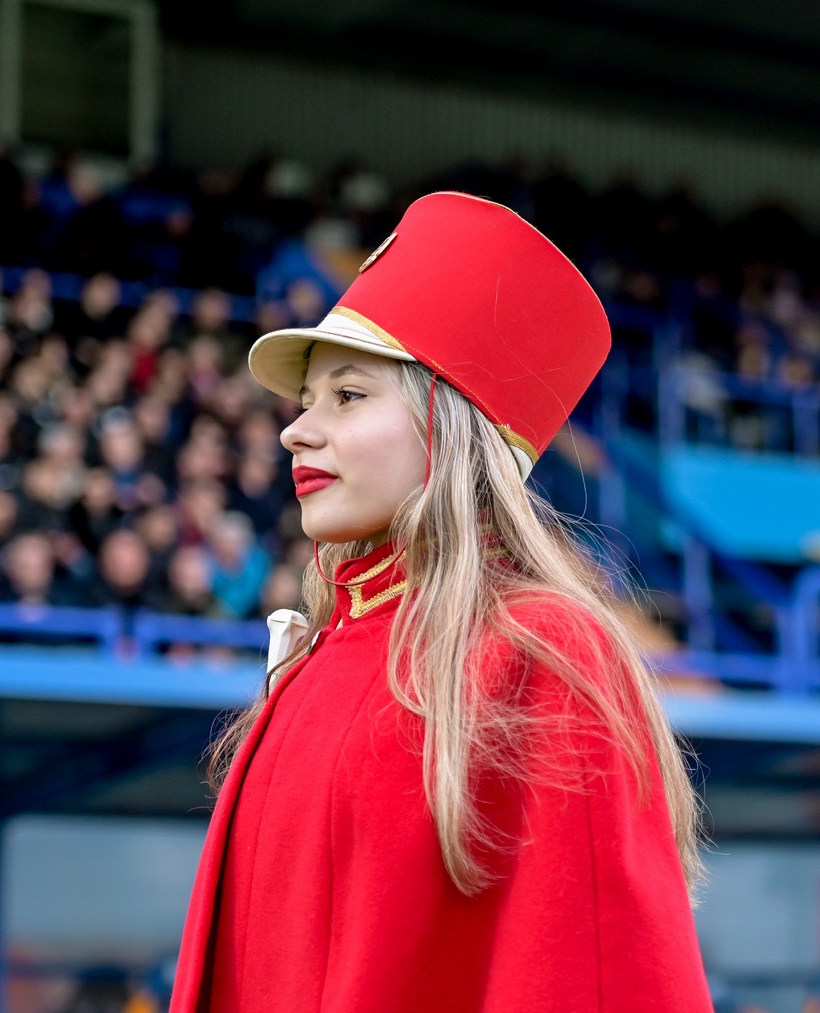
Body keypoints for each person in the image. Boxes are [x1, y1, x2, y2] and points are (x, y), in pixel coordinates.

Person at [169, 192, 710, 1012]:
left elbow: (595, 983)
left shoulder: (543, 649)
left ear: (453, 429)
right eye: (307, 399)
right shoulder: (320, 654)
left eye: (348, 395)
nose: (296, 431)